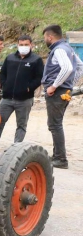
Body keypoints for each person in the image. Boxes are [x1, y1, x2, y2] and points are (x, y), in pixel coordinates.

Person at [0, 35, 44, 152]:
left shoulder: (36, 60)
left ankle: (15, 150)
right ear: (17, 45)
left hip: (25, 100)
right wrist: (4, 85)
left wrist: (29, 88)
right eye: (21, 45)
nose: (23, 47)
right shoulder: (10, 58)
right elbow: (2, 74)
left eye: (26, 45)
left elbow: (39, 78)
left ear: (31, 45)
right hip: (7, 98)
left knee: (21, 126)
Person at [41, 25, 83, 169]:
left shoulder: (58, 50)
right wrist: (70, 84)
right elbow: (80, 66)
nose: (45, 40)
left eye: (45, 37)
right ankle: (58, 155)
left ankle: (60, 158)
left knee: (55, 125)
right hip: (64, 92)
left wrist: (54, 85)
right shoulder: (68, 48)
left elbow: (67, 68)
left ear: (50, 37)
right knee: (56, 124)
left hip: (57, 92)